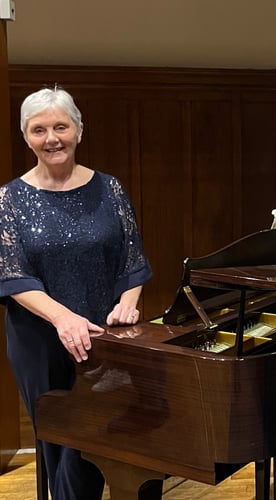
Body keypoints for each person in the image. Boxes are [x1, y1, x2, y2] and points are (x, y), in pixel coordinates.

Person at [0, 87, 152, 500]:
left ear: (79, 131)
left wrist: (128, 302)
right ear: (26, 137)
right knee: (63, 446)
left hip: (106, 338)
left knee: (114, 439)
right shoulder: (8, 200)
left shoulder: (110, 189)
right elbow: (12, 275)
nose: (51, 138)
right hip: (40, 341)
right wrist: (63, 318)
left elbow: (132, 260)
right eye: (39, 130)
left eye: (61, 127)